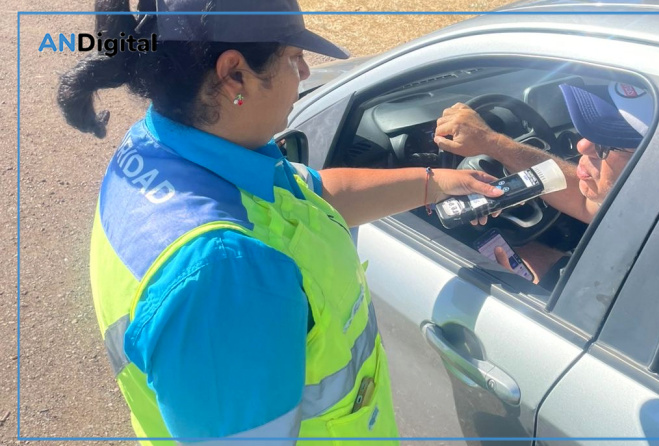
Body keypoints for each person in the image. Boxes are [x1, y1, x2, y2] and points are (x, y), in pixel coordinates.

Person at [56, 0, 505, 444]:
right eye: (293, 57)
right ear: (235, 74)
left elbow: (313, 191)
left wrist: (438, 182)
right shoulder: (223, 274)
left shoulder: (162, 146)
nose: (306, 72)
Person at [435, 81, 653, 286]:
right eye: (588, 133)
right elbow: (585, 203)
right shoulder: (645, 205)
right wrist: (493, 143)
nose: (582, 146)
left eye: (607, 145)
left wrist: (526, 290)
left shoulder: (647, 265)